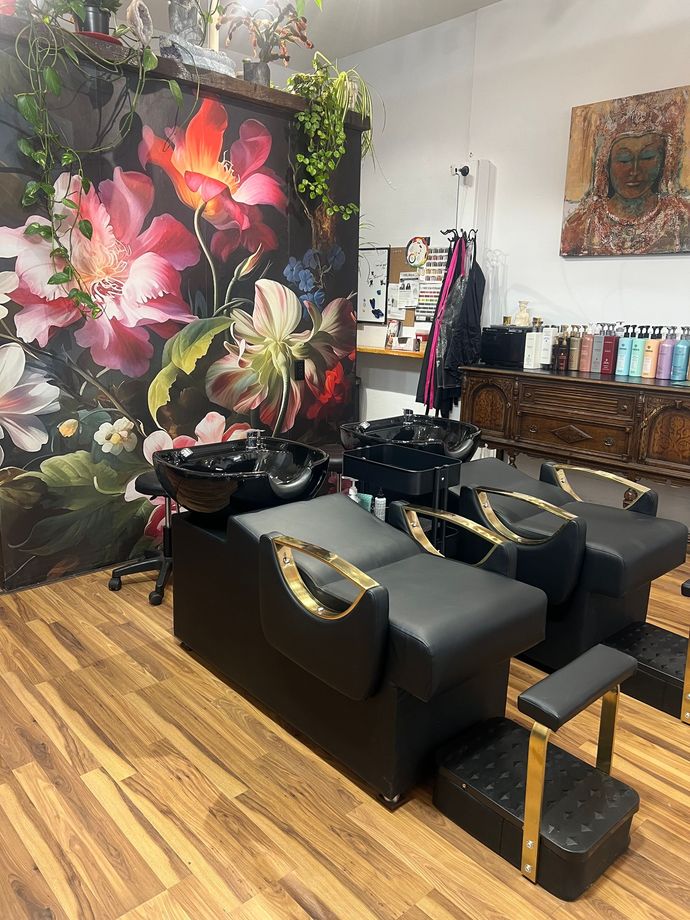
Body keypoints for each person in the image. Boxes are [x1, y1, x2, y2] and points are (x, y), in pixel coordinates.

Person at [561, 129, 690, 255]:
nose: (634, 171)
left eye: (647, 158)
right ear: (606, 164)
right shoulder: (582, 224)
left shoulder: (682, 216)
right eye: (624, 160)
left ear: (663, 163)